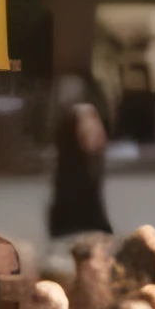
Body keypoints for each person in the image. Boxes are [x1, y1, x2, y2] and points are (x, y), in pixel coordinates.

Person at [49, 98, 110, 242]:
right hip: (72, 232)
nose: (96, 130)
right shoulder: (71, 177)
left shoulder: (93, 169)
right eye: (89, 127)